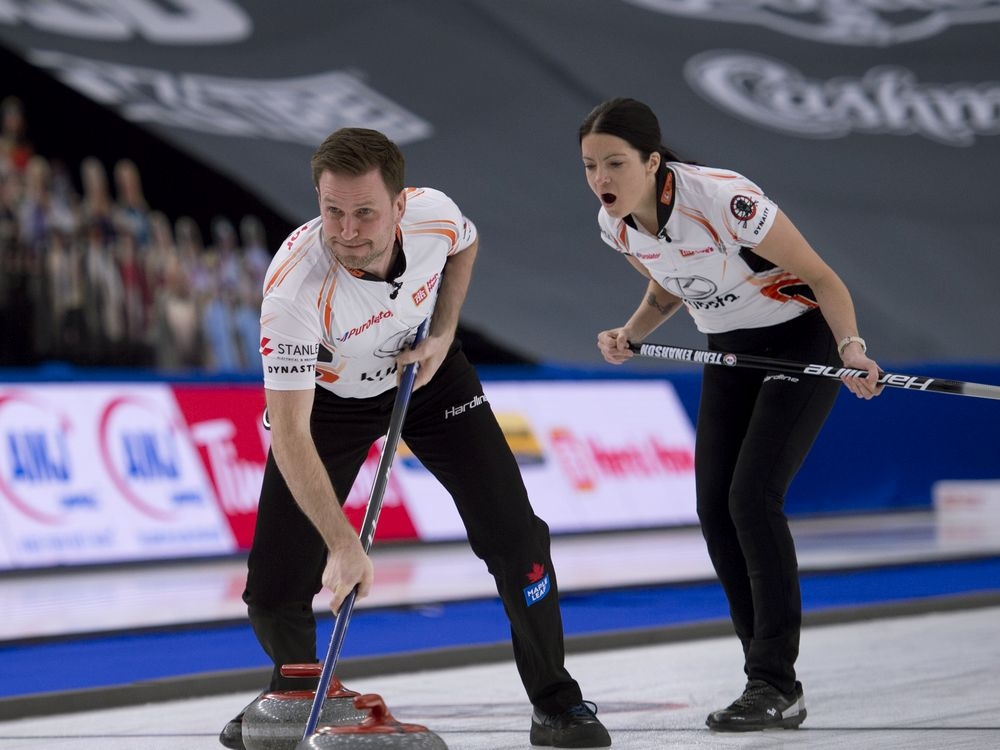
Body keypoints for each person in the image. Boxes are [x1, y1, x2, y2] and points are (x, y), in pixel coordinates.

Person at [219, 128, 611, 749]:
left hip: (425, 377)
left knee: (517, 538)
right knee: (272, 592)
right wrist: (343, 545)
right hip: (331, 406)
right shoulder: (293, 291)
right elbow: (290, 435)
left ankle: (556, 701)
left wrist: (445, 334)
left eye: (365, 212)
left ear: (400, 206)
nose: (347, 231)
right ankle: (294, 699)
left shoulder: (434, 215)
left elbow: (466, 245)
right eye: (333, 212)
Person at [578, 98, 884, 733]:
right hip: (731, 349)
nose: (602, 178)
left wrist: (853, 349)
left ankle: (772, 680)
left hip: (800, 341)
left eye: (615, 163)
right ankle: (768, 680)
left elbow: (824, 279)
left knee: (752, 497)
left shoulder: (722, 199)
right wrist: (630, 332)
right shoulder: (615, 227)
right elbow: (671, 285)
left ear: (652, 161)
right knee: (714, 507)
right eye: (589, 167)